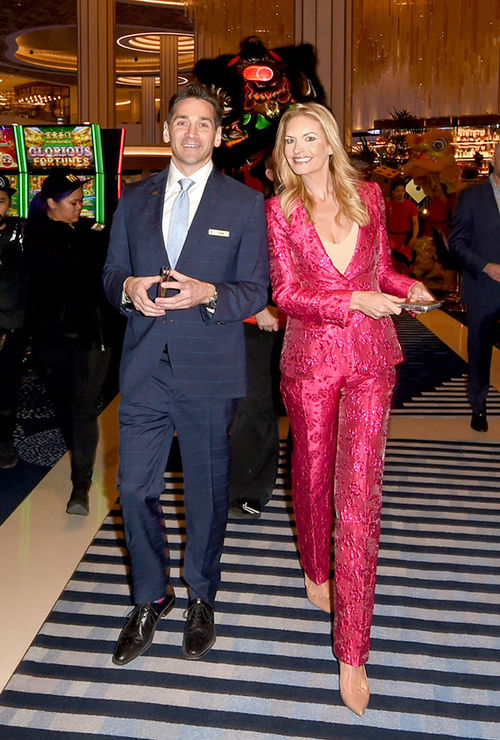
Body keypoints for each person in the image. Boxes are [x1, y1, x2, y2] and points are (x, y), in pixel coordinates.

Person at [265, 103, 433, 716]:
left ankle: (353, 652)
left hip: (370, 364)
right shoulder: (279, 210)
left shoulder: (367, 195)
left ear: (332, 143)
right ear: (283, 150)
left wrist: (404, 287)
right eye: (292, 140)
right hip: (309, 363)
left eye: (311, 138)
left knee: (359, 498)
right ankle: (314, 565)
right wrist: (355, 298)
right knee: (311, 481)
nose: (301, 148)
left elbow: (381, 269)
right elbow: (285, 293)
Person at [103, 83, 268, 665]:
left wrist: (207, 293)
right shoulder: (133, 199)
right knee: (132, 488)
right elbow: (112, 273)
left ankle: (202, 596)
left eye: (204, 123)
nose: (192, 132)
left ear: (219, 136)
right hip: (146, 366)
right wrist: (128, 288)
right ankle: (151, 596)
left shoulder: (244, 204)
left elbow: (255, 289)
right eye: (182, 122)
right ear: (166, 130)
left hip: (209, 369)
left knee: (205, 492)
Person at [23, 170, 114, 514]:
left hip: (94, 335)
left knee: (83, 408)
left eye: (81, 201)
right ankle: (79, 463)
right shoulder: (36, 236)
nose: (80, 207)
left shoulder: (90, 230)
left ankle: (81, 485)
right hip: (53, 339)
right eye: (73, 202)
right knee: (66, 405)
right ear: (50, 204)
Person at [229, 154, 285, 519]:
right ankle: (248, 488)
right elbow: (232, 267)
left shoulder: (326, 212)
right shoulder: (258, 213)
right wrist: (256, 308)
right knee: (254, 407)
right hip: (260, 325)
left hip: (315, 326)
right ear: (269, 173)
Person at [449, 142, 500, 432]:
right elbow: (457, 243)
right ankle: (478, 406)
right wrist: (486, 266)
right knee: (480, 350)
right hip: (484, 286)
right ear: (493, 158)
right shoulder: (471, 197)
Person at [0, 175, 25, 469]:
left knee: (7, 389)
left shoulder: (21, 234)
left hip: (14, 325)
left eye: (2, 201)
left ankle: (4, 441)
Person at [386, 180, 419, 275]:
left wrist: (414, 237)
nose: (400, 193)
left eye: (402, 191)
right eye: (398, 191)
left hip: (405, 237)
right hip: (391, 238)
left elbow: (415, 223)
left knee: (405, 262)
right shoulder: (388, 206)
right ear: (393, 192)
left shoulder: (411, 206)